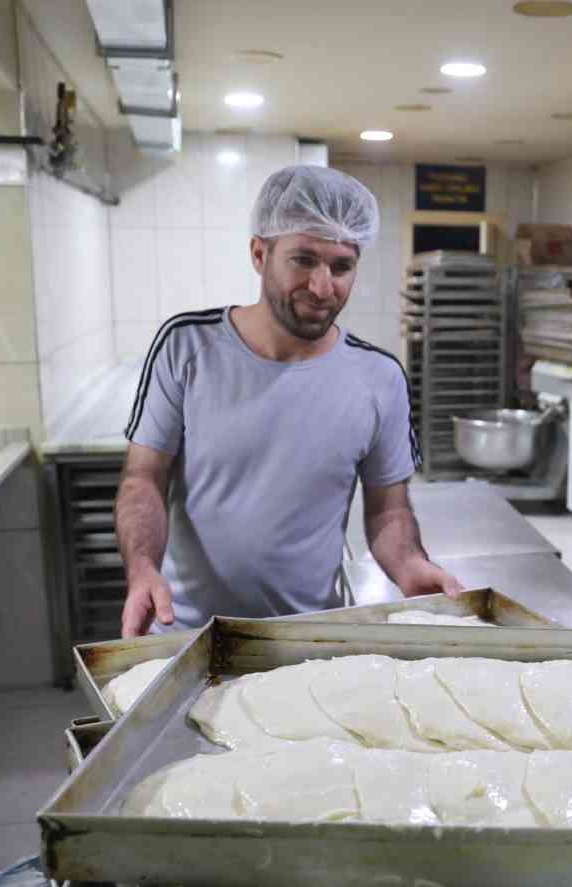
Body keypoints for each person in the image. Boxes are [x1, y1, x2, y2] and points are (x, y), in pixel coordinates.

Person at [116, 165, 462, 636]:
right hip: (187, 633)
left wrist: (409, 565)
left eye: (342, 267)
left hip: (309, 638)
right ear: (260, 254)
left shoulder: (379, 378)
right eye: (304, 260)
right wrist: (142, 570)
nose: (323, 288)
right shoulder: (186, 347)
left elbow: (388, 507)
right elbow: (144, 479)